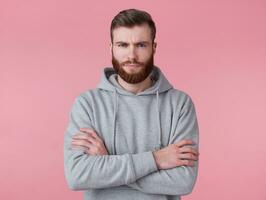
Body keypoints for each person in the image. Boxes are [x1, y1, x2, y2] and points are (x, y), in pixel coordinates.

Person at [64, 8, 200, 200]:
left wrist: (107, 164)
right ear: (111, 48)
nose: (132, 55)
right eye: (123, 45)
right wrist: (156, 160)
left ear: (154, 47)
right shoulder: (87, 104)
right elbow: (77, 176)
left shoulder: (179, 104)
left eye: (141, 45)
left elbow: (183, 181)